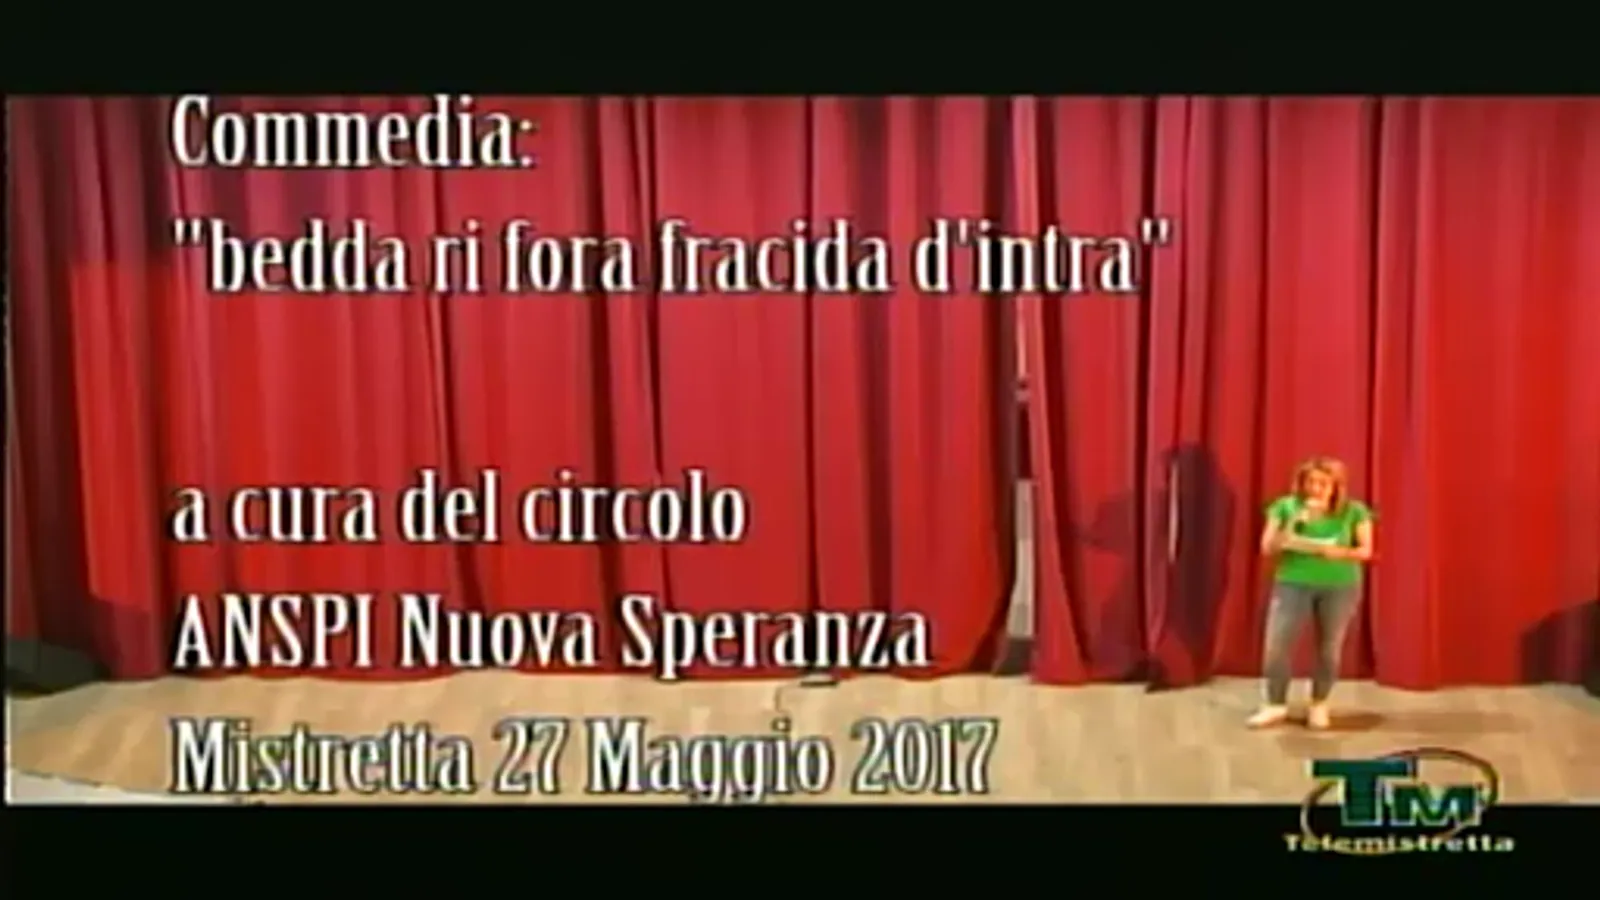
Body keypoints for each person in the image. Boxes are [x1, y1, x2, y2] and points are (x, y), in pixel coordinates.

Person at [1248, 457, 1375, 730]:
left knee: (1329, 648)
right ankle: (1275, 704)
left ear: (1336, 487)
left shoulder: (1354, 511)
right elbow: (1268, 547)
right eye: (1310, 482)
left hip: (1339, 585)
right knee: (1276, 646)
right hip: (1293, 583)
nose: (1315, 489)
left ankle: (1319, 703)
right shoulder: (1285, 506)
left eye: (1323, 484)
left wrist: (1338, 553)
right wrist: (1295, 521)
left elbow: (1365, 551)